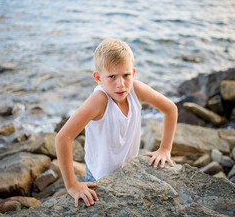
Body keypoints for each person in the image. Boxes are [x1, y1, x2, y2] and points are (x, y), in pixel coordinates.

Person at [55, 38, 178, 208]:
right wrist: (72, 185)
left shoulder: (136, 89)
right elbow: (63, 137)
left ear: (133, 73)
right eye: (112, 76)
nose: (120, 84)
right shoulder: (99, 100)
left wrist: (165, 149)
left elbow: (170, 109)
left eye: (126, 75)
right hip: (100, 176)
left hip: (127, 170)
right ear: (98, 78)